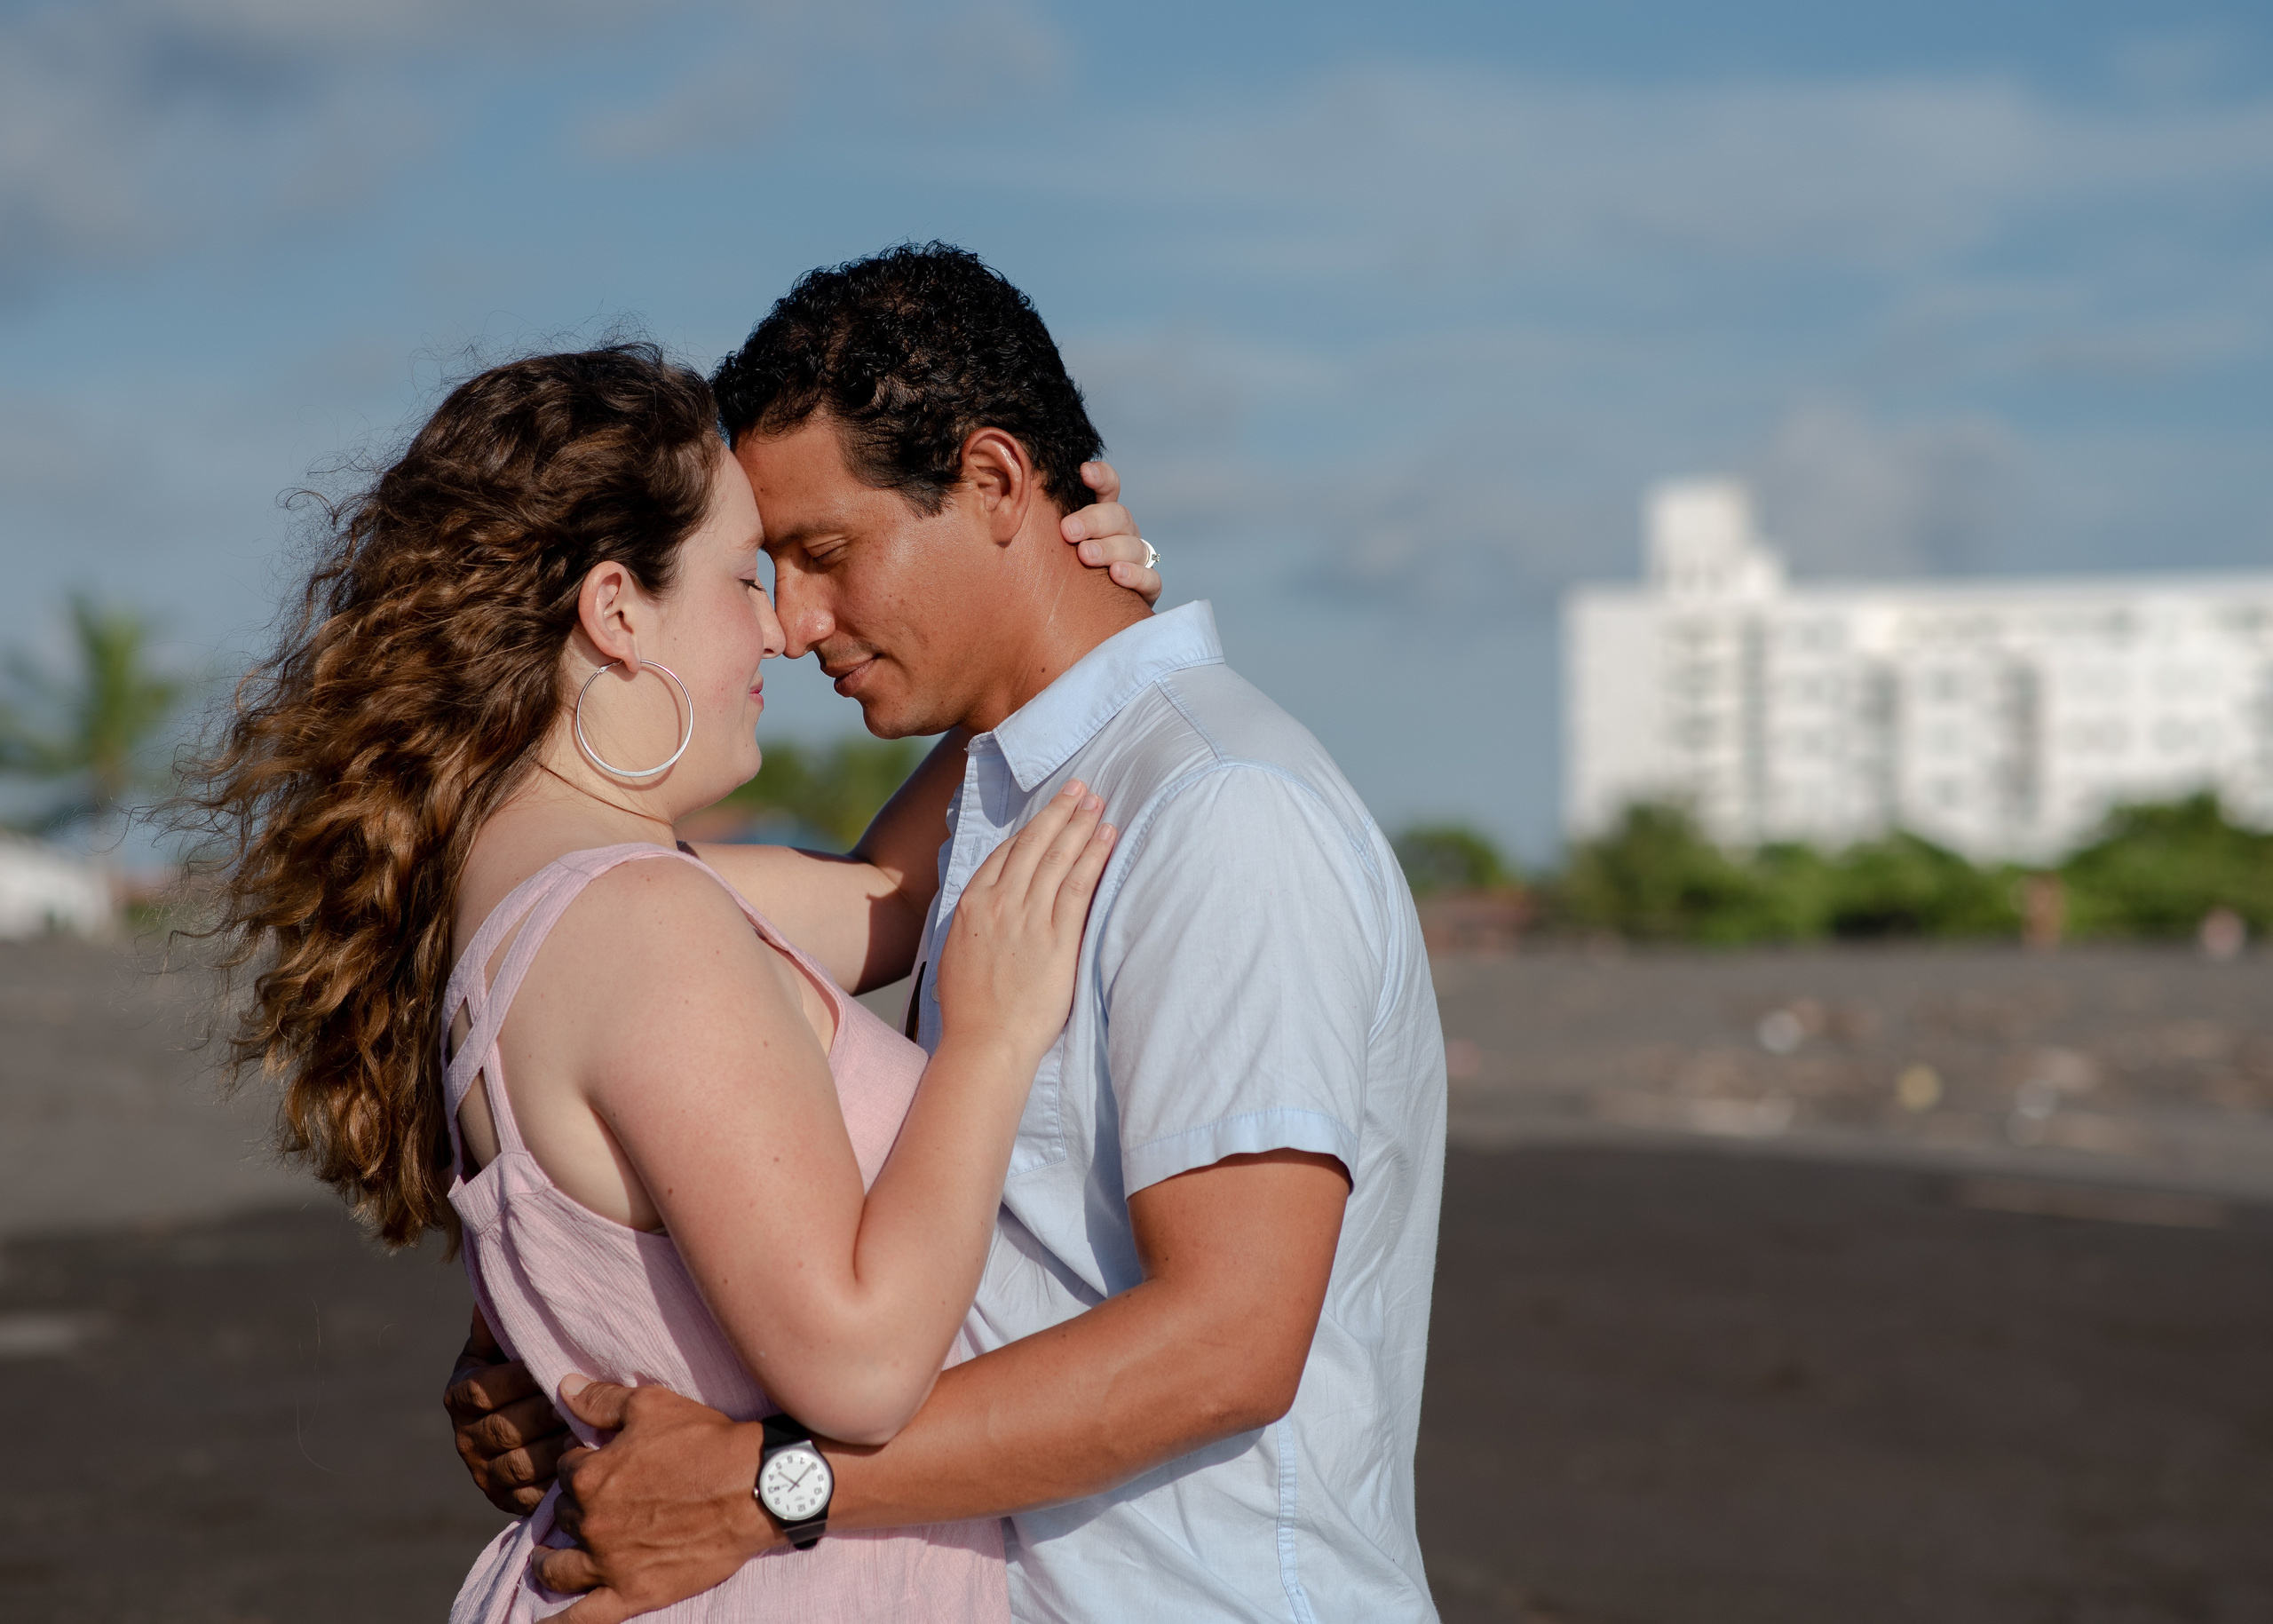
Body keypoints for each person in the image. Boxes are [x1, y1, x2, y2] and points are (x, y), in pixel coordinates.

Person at [449, 244, 1448, 1622]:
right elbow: (686, 1009)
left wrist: (766, 1484)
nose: (793, 624)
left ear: (990, 482)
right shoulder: (1004, 807)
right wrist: (567, 1328)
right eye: (767, 566)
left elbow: (1229, 1342)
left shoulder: (1224, 814)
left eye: (823, 554)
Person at [182, 340, 1163, 1622]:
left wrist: (1066, 639)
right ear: (617, 610)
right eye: (740, 577)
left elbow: (894, 900)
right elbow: (862, 1366)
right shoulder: (643, 920)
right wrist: (987, 1041)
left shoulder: (529, 890)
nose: (779, 624)